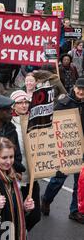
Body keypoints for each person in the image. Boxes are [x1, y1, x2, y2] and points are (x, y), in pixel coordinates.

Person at [41, 77, 84, 224]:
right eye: (79, 88)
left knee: (80, 182)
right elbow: (52, 123)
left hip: (82, 148)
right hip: (66, 147)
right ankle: (46, 199)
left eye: (83, 89)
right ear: (74, 87)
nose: (81, 91)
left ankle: (75, 211)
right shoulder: (63, 103)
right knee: (58, 179)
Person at [10, 90, 41, 231]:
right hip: (15, 178)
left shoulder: (36, 120)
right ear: (13, 106)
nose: (24, 105)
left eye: (26, 102)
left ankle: (21, 234)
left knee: (35, 216)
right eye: (20, 102)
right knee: (14, 215)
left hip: (32, 177)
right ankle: (16, 239)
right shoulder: (9, 124)